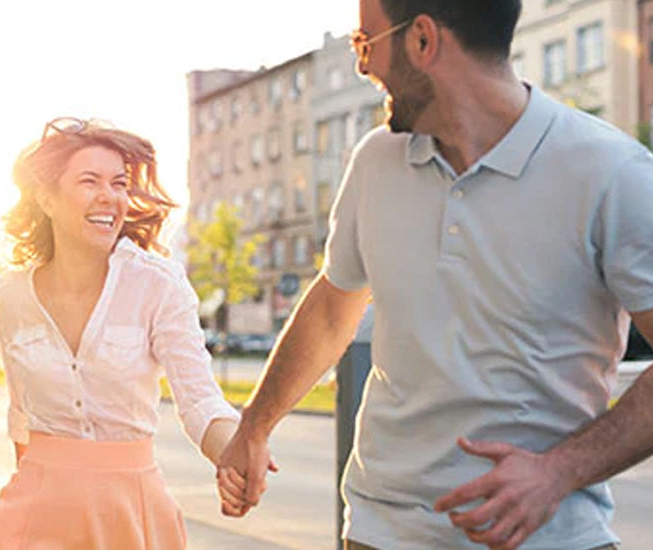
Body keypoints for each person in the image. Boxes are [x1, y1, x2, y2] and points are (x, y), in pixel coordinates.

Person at [216, 1, 653, 549]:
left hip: (550, 538)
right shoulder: (376, 162)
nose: (363, 67)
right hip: (382, 533)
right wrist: (254, 426)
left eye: (365, 44)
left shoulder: (612, 173)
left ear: (422, 41)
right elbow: (333, 308)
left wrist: (557, 471)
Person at [0, 117, 245, 549]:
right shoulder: (11, 294)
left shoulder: (157, 283)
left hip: (129, 513)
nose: (109, 197)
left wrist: (234, 456)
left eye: (119, 183)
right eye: (90, 181)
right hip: (36, 509)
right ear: (47, 199)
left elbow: (200, 399)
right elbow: (22, 418)